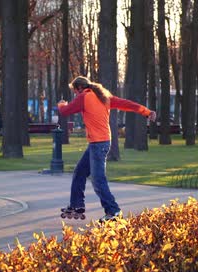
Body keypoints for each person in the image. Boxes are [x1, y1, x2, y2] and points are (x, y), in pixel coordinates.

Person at [57, 76, 157, 222]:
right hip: (100, 142)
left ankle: (113, 211)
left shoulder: (84, 97)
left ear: (79, 88)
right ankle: (76, 205)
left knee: (98, 180)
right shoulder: (103, 96)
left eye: (75, 91)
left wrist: (61, 105)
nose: (75, 95)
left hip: (98, 144)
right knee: (79, 172)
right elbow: (127, 104)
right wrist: (146, 112)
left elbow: (65, 111)